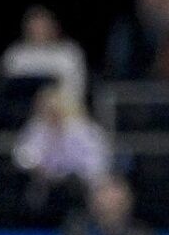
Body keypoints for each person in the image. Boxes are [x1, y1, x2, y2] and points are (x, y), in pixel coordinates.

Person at [13, 87, 110, 221]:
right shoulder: (37, 128)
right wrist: (36, 164)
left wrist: (77, 173)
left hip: (78, 183)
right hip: (47, 181)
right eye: (47, 110)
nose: (52, 114)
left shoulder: (83, 130)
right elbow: (22, 154)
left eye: (55, 109)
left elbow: (97, 161)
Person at [0, 6, 87, 104]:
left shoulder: (69, 52)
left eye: (43, 25)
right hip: (21, 112)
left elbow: (77, 88)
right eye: (35, 25)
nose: (39, 30)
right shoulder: (15, 54)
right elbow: (6, 87)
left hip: (62, 110)